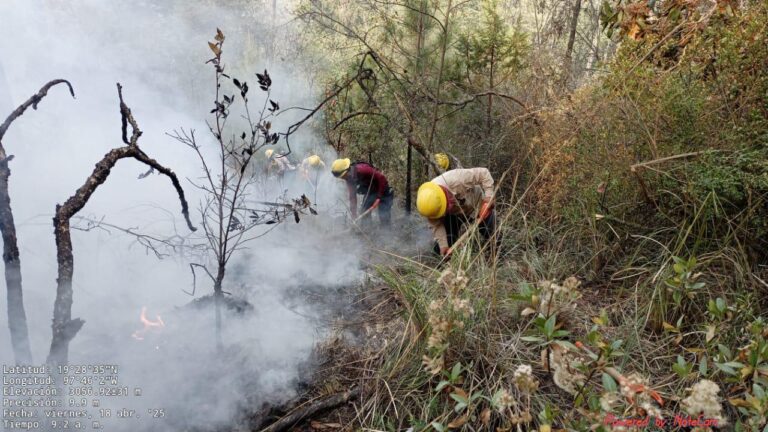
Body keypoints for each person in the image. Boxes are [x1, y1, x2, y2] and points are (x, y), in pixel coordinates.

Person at [416, 168, 496, 256]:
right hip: (454, 214)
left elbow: (483, 173)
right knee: (443, 246)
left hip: (477, 205)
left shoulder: (457, 179)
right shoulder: (428, 206)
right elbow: (437, 225)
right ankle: (444, 263)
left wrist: (489, 197)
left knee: (492, 235)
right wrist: (443, 246)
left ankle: (496, 255)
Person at [331, 158, 394, 226]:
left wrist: (378, 198)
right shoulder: (349, 179)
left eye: (343, 176)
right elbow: (352, 197)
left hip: (383, 190)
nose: (343, 178)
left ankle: (386, 232)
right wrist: (353, 214)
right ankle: (367, 230)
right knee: (364, 211)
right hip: (371, 192)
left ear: (347, 171)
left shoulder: (363, 169)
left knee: (383, 213)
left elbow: (381, 178)